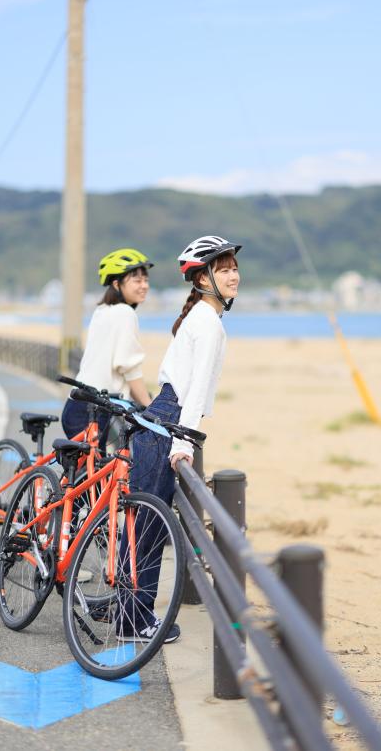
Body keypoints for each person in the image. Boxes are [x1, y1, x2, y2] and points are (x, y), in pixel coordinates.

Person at [119, 235, 241, 644]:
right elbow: (193, 390)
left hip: (161, 415)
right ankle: (133, 619)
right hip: (170, 421)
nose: (233, 275)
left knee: (141, 524)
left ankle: (124, 609)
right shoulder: (207, 325)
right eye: (222, 269)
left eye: (233, 267)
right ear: (203, 278)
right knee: (151, 525)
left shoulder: (202, 320)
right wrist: (185, 442)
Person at [61, 248, 153, 447]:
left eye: (145, 280)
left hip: (80, 404)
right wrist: (149, 407)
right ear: (116, 283)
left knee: (91, 474)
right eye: (137, 280)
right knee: (93, 473)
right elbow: (128, 367)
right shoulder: (125, 314)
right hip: (92, 410)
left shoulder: (103, 311)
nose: (144, 285)